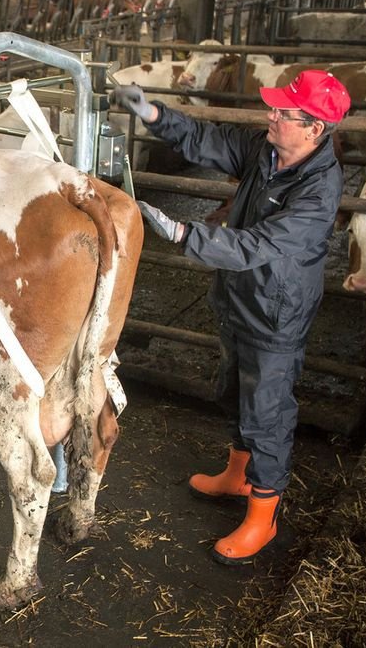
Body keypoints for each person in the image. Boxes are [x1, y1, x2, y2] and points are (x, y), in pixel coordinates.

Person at [112, 70, 351, 564]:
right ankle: (238, 476)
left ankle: (263, 517)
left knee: (267, 411)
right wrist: (151, 112)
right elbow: (208, 139)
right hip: (240, 299)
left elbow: (260, 244)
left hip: (276, 313)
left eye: (284, 112)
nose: (272, 115)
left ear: (314, 128)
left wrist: (185, 234)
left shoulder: (318, 190)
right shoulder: (266, 149)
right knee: (232, 389)